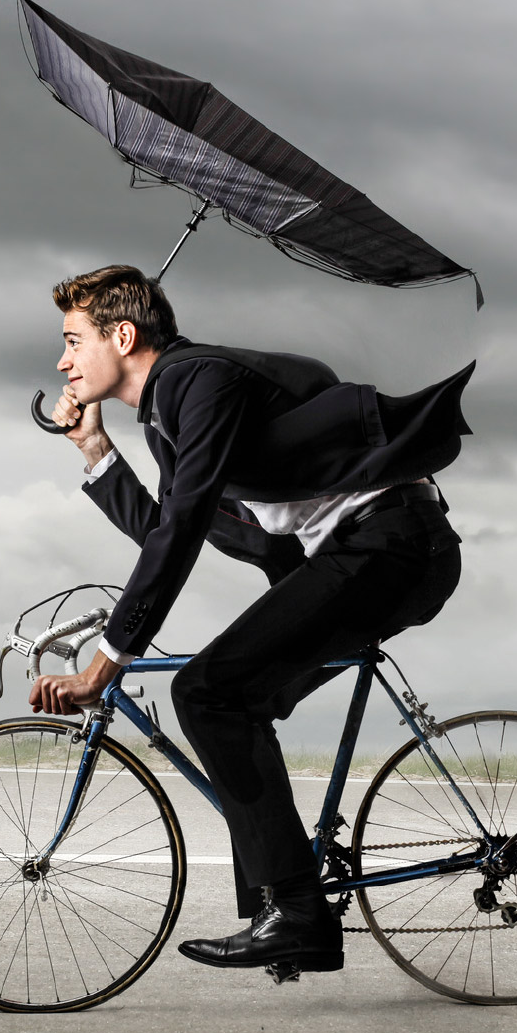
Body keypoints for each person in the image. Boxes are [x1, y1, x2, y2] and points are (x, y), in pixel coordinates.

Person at [26, 265, 469, 976]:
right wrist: (94, 452)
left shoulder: (195, 382)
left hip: (392, 545)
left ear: (125, 335)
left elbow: (179, 531)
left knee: (205, 693)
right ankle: (285, 909)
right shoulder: (175, 416)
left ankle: (295, 915)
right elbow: (176, 528)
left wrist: (108, 659)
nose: (62, 361)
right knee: (226, 699)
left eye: (74, 340)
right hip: (373, 552)